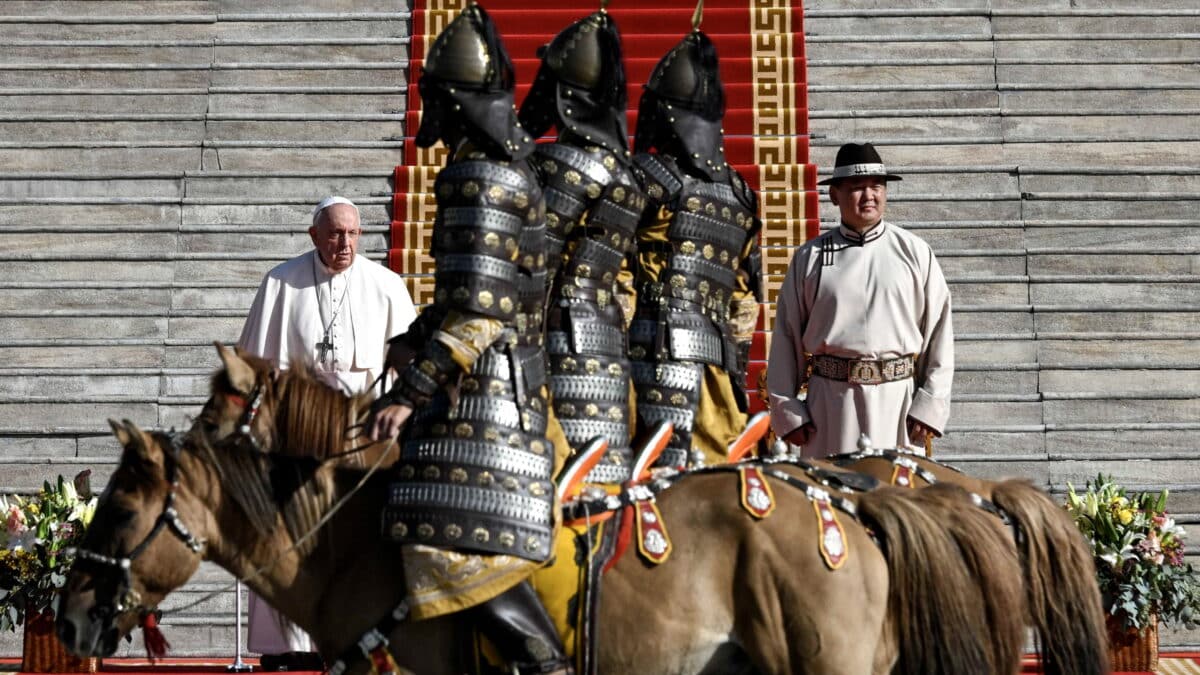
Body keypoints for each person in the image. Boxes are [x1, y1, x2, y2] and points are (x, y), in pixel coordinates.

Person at [367, 4, 572, 674]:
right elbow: (468, 298)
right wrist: (416, 336)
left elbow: (483, 315)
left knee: (443, 525)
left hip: (493, 391)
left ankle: (543, 663)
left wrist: (412, 386)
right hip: (503, 372)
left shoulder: (481, 174)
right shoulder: (498, 164)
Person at [237, 196, 417, 669]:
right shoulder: (280, 283)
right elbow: (252, 368)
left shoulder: (387, 286)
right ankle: (289, 650)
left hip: (363, 440)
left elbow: (411, 374)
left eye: (353, 234)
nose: (345, 243)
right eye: (336, 233)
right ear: (314, 235)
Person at [628, 14, 764, 470]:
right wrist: (737, 373)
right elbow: (745, 306)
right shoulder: (742, 194)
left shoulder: (650, 179)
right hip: (716, 365)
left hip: (650, 359)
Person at [517, 8, 647, 484]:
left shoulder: (561, 166)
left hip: (556, 341)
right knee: (603, 485)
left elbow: (533, 265)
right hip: (607, 336)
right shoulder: (626, 171)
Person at [767, 142, 954, 457]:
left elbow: (939, 332)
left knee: (897, 501)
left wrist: (931, 403)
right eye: (857, 188)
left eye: (876, 187)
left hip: (899, 404)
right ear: (834, 195)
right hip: (830, 404)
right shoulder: (809, 258)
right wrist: (788, 410)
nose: (869, 195)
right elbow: (786, 335)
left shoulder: (915, 252)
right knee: (834, 498)